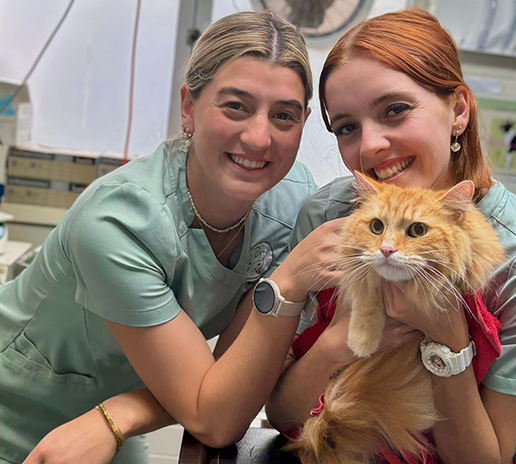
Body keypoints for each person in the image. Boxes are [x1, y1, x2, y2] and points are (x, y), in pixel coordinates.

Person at [0, 11, 345, 464]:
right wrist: (290, 280)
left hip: (112, 418)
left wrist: (123, 414)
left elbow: (229, 389)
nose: (259, 138)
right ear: (188, 108)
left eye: (284, 116)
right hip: (15, 414)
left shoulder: (290, 203)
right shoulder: (119, 221)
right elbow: (214, 415)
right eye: (235, 106)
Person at [265, 8, 516, 464]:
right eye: (347, 127)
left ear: (458, 111)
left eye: (395, 110)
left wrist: (449, 339)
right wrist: (341, 336)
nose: (369, 146)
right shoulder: (329, 213)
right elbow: (283, 414)